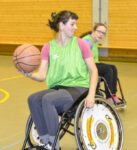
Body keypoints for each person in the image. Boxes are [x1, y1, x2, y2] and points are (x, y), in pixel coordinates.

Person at [21, 10, 98, 150]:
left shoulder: (81, 44)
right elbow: (42, 75)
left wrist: (92, 94)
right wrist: (29, 74)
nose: (76, 27)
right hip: (58, 88)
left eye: (76, 24)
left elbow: (94, 70)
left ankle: (53, 145)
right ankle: (45, 141)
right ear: (61, 26)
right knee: (32, 98)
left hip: (78, 88)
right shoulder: (48, 47)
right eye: (72, 24)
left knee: (48, 99)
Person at [81, 23, 121, 105]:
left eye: (103, 33)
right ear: (93, 31)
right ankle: (109, 97)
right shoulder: (87, 41)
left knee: (113, 67)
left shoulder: (94, 41)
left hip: (93, 64)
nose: (101, 35)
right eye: (99, 32)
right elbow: (82, 57)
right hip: (86, 67)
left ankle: (112, 94)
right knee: (107, 69)